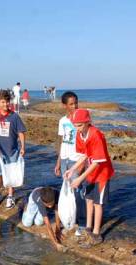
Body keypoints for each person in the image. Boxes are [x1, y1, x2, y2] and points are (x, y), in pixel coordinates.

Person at [64, 109, 114, 248]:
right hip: (90, 173)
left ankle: (96, 234)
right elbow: (84, 156)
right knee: (88, 200)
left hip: (102, 174)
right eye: (75, 125)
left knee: (98, 203)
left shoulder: (96, 135)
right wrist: (72, 169)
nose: (77, 128)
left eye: (79, 125)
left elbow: (98, 162)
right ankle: (88, 229)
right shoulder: (80, 135)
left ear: (88, 122)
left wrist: (80, 179)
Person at [54, 91, 86, 236]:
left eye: (76, 103)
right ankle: (70, 219)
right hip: (65, 159)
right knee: (67, 191)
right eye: (71, 104)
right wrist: (58, 162)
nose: (75, 106)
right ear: (64, 105)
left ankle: (82, 222)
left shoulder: (82, 120)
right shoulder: (62, 121)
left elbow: (87, 142)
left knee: (78, 191)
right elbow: (61, 142)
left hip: (77, 159)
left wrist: (82, 163)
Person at [0, 90, 26, 208]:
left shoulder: (14, 116)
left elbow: (21, 132)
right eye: (3, 102)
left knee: (11, 174)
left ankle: (10, 196)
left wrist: (23, 146)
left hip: (12, 151)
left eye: (7, 102)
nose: (6, 104)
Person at [22, 187, 65, 251]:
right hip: (34, 196)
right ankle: (26, 206)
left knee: (38, 223)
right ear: (43, 202)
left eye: (51, 203)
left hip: (45, 195)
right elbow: (48, 226)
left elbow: (57, 213)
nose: (50, 206)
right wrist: (55, 243)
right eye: (48, 205)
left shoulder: (57, 195)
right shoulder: (41, 202)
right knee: (27, 224)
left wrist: (58, 230)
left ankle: (40, 211)